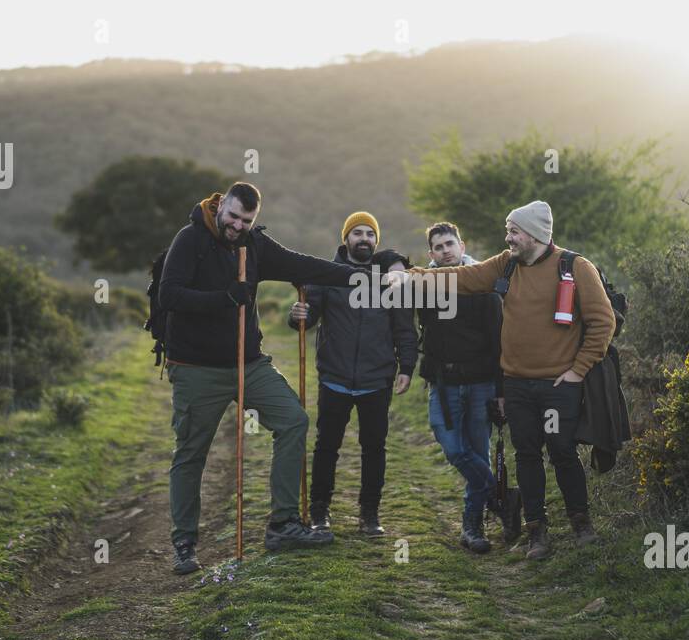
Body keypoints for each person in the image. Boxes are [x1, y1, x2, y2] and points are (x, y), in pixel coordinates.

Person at [387, 200, 615, 560]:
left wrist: (577, 371)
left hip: (560, 384)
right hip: (517, 383)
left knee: (562, 453)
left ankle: (581, 524)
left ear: (535, 234)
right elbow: (460, 277)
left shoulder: (575, 267)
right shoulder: (506, 264)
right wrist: (411, 275)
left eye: (514, 231)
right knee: (526, 455)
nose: (507, 236)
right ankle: (536, 533)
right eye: (508, 230)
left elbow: (603, 322)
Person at [158, 182, 365, 574]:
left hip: (248, 364)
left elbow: (302, 265)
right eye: (233, 217)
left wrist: (357, 275)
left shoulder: (253, 245)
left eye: (246, 220)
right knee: (191, 453)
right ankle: (184, 542)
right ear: (222, 206)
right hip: (196, 369)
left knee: (293, 420)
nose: (237, 226)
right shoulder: (190, 240)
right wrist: (225, 297)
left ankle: (283, 524)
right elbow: (171, 296)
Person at [288, 211, 416, 537]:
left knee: (374, 447)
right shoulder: (326, 275)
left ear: (376, 241)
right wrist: (298, 316)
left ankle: (369, 515)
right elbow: (310, 316)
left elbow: (404, 325)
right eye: (357, 233)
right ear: (346, 238)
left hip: (377, 378)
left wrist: (408, 366)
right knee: (327, 446)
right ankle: (319, 512)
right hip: (335, 375)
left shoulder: (389, 276)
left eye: (370, 234)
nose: (364, 239)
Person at [417, 222, 502, 554]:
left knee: (478, 452)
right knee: (453, 448)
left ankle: (473, 526)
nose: (445, 250)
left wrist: (501, 389)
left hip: (481, 381)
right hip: (443, 381)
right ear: (431, 254)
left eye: (449, 244)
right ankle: (496, 492)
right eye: (438, 247)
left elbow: (498, 340)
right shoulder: (423, 285)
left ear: (461, 245)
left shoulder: (482, 284)